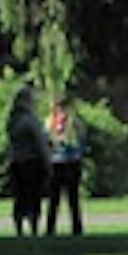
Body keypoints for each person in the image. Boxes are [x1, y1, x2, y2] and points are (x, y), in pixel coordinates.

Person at [4, 86, 50, 237]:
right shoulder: (29, 120)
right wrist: (47, 161)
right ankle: (34, 226)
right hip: (32, 162)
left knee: (19, 197)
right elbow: (40, 142)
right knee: (33, 196)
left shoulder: (12, 121)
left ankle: (19, 227)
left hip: (16, 162)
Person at [42, 95, 85, 236]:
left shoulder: (73, 122)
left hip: (69, 161)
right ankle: (51, 227)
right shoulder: (51, 121)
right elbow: (46, 139)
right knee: (55, 198)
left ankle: (76, 227)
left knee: (72, 198)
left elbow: (81, 139)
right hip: (58, 161)